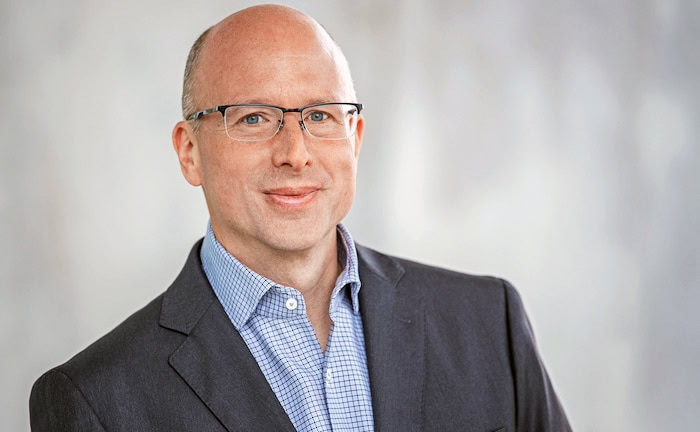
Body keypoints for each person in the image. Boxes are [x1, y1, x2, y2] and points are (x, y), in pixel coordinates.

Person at [29, 4, 571, 431]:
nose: (295, 152)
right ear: (189, 151)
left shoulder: (488, 323)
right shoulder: (95, 400)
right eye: (253, 118)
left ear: (354, 139)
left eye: (320, 115)